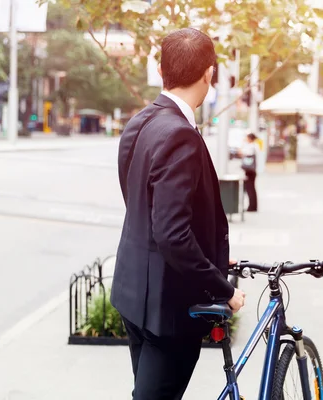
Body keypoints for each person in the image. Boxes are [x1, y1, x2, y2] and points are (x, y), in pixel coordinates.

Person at [111, 28, 246, 400]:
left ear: (160, 69)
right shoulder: (180, 134)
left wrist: (207, 255)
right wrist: (225, 289)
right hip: (166, 308)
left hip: (132, 291)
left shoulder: (140, 122)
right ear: (209, 73)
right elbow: (171, 233)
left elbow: (140, 203)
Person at [240, 133, 260, 212]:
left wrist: (243, 143)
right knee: (251, 189)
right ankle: (253, 206)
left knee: (250, 189)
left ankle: (252, 207)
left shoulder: (251, 146)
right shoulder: (255, 146)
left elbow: (242, 152)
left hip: (250, 171)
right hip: (252, 171)